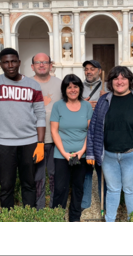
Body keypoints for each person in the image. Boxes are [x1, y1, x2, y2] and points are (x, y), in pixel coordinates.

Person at [0, 48, 46, 210]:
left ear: (19, 62)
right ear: (1, 64)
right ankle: (8, 217)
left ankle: (29, 216)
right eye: (6, 62)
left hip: (30, 143)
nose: (10, 65)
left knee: (29, 183)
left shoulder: (33, 85)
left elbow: (40, 115)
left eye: (13, 61)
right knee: (6, 185)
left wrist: (40, 143)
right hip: (4, 144)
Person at [86, 66, 133, 222]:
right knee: (112, 190)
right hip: (109, 156)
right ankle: (110, 221)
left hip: (131, 155)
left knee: (131, 189)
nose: (120, 81)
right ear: (111, 82)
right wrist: (91, 152)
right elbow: (94, 129)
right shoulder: (104, 101)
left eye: (123, 78)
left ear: (129, 81)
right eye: (116, 78)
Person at [50, 74, 93, 222]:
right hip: (62, 155)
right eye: (69, 87)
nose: (73, 90)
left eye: (75, 86)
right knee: (60, 189)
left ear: (80, 88)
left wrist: (82, 151)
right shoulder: (58, 106)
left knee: (78, 188)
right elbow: (54, 131)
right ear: (65, 89)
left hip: (81, 154)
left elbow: (90, 131)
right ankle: (56, 218)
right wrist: (64, 153)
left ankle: (74, 219)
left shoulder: (87, 106)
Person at [30, 53, 62, 210]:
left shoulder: (60, 84)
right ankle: (39, 208)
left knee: (54, 175)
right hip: (34, 140)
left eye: (45, 62)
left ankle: (54, 207)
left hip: (56, 139)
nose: (41, 65)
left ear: (51, 65)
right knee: (38, 177)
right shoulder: (27, 84)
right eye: (38, 62)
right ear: (32, 66)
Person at [81, 59, 107, 212]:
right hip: (83, 133)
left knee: (102, 169)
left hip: (100, 134)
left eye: (92, 69)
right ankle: (85, 203)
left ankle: (104, 203)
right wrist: (81, 102)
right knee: (85, 171)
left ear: (99, 71)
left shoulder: (107, 87)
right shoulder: (78, 87)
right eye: (86, 69)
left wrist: (107, 98)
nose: (89, 71)